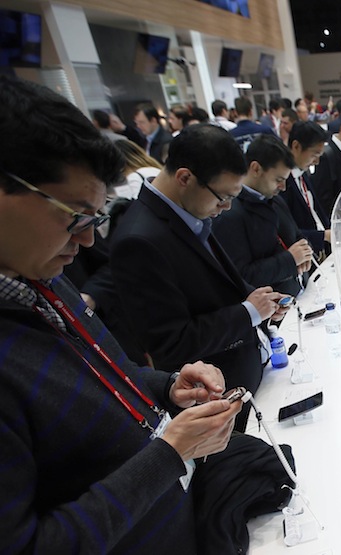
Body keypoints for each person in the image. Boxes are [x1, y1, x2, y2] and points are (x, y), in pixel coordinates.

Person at [0, 74, 241, 554]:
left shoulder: (39, 276)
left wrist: (167, 385)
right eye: (74, 216)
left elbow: (95, 372)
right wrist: (168, 455)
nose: (88, 241)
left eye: (94, 218)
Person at [110, 124, 290, 432]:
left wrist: (261, 302)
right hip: (218, 398)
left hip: (250, 375)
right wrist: (248, 313)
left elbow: (218, 279)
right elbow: (172, 344)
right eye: (221, 197)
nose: (226, 208)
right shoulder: (138, 240)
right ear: (185, 178)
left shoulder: (190, 211)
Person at [214, 135, 313, 297]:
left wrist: (305, 251)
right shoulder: (229, 213)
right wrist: (290, 259)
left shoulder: (274, 199)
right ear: (256, 169)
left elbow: (296, 236)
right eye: (278, 179)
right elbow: (242, 275)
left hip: (301, 291)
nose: (283, 187)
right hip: (272, 309)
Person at [281, 121, 331, 256]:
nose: (316, 162)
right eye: (314, 155)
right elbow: (286, 231)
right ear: (296, 146)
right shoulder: (282, 182)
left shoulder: (303, 173)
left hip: (320, 249)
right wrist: (322, 236)